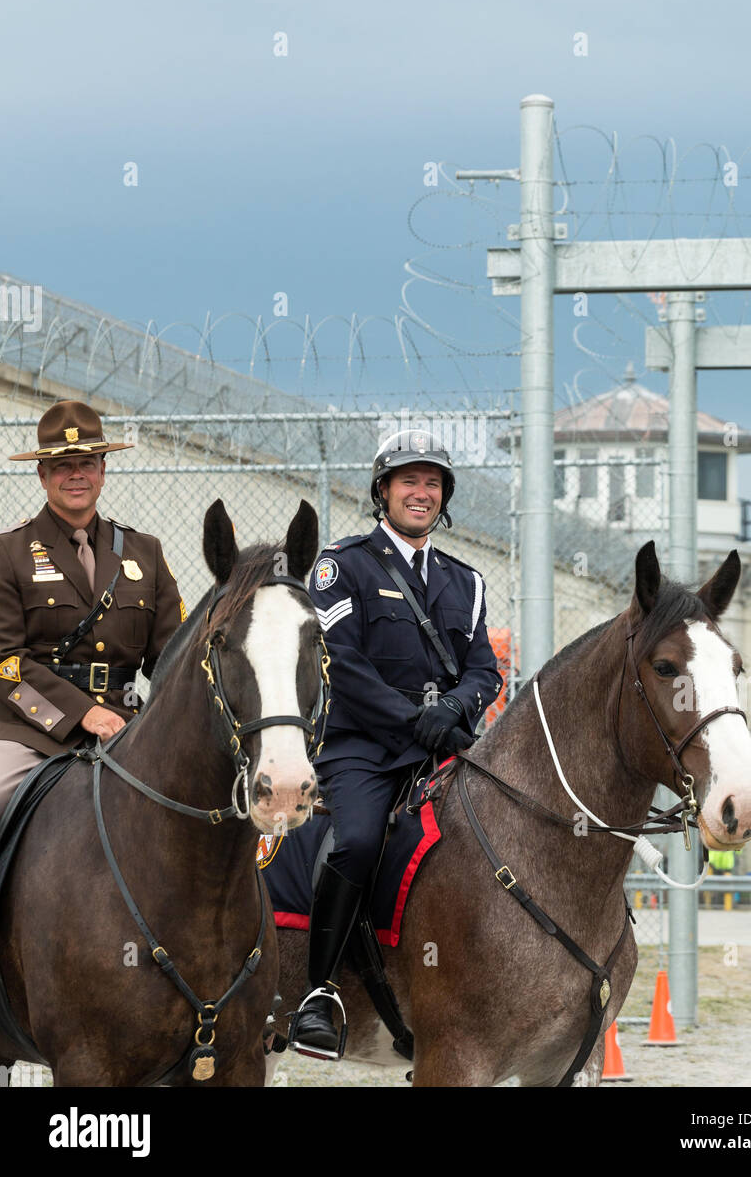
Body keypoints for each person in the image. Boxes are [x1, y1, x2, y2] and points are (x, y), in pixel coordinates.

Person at [291, 427, 502, 1058]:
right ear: (382, 490)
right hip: (363, 748)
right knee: (356, 842)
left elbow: (483, 669)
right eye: (409, 480)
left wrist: (459, 707)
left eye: (432, 483)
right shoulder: (342, 565)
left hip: (447, 746)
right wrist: (414, 720)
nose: (421, 492)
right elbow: (341, 662)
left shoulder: (466, 581)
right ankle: (319, 992)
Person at [0, 400, 185, 819]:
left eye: (87, 462)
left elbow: (172, 658)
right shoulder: (7, 552)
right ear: (42, 474)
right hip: (30, 732)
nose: (76, 474)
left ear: (103, 470)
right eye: (63, 466)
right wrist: (83, 712)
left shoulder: (145, 552)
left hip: (127, 725)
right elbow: (4, 663)